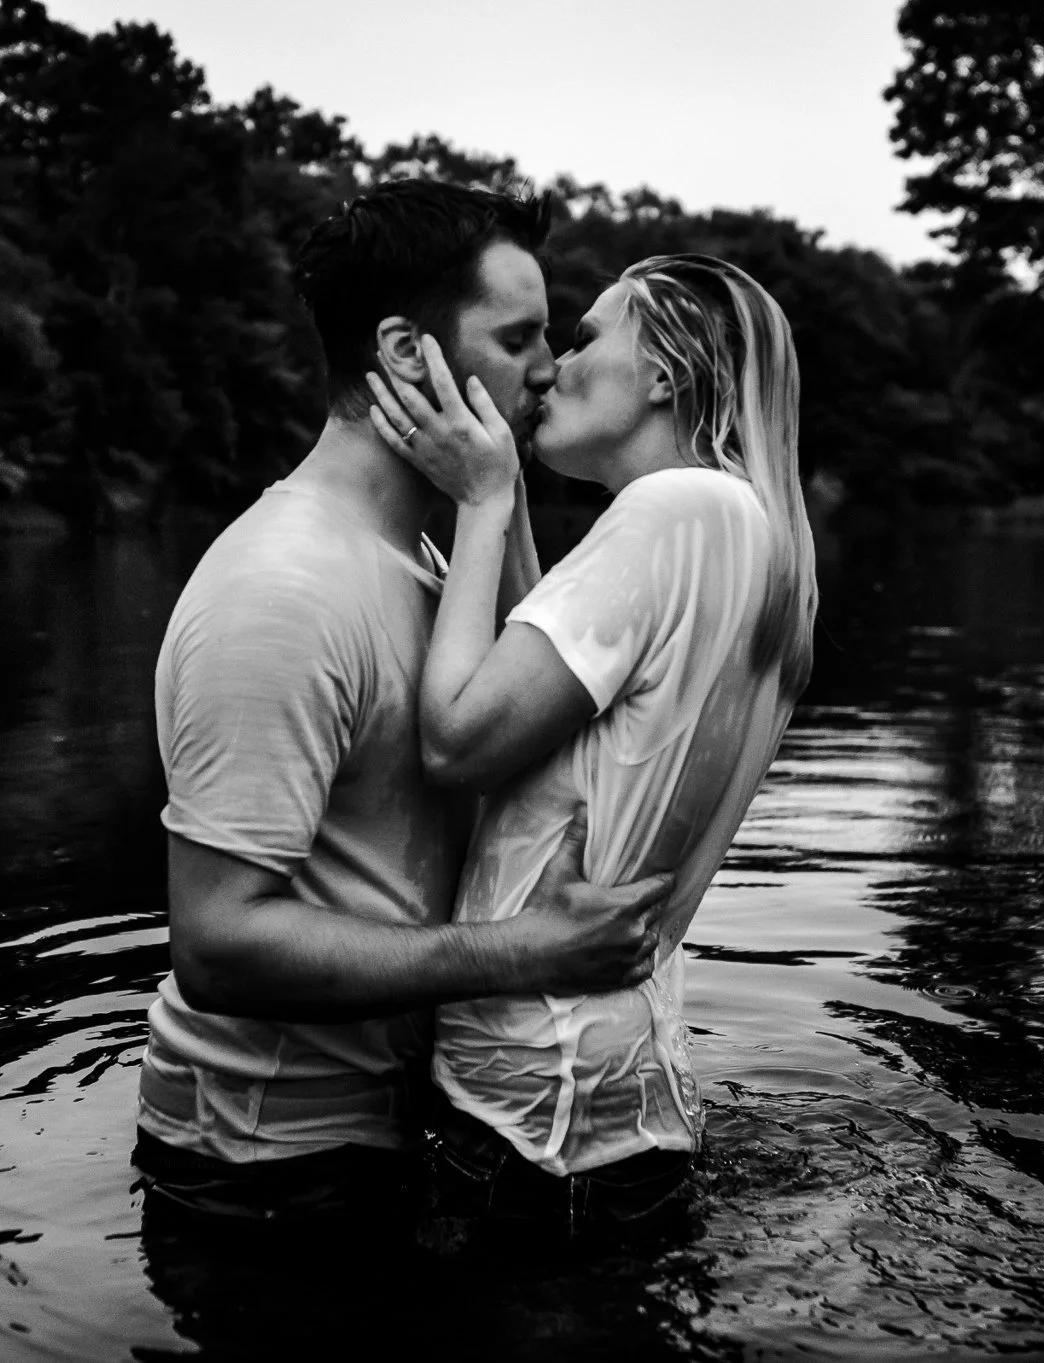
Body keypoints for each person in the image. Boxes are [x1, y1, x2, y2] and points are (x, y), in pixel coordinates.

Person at [133, 180, 676, 1238]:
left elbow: (526, 739)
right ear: (401, 349)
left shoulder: (431, 557)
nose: (550, 368)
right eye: (517, 338)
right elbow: (214, 941)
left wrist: (497, 498)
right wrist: (527, 951)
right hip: (260, 1178)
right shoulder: (280, 592)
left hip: (391, 1142)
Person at [366, 253, 816, 1241]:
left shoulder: (670, 511)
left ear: (664, 374)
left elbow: (455, 739)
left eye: (584, 337)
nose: (553, 367)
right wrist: (508, 485)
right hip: (622, 1102)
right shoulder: (749, 532)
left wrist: (480, 503)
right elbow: (553, 703)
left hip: (527, 1117)